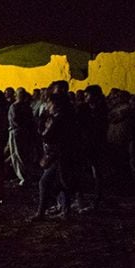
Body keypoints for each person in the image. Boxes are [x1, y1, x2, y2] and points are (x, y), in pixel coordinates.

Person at [31, 81, 79, 221]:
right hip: (60, 153)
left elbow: (47, 135)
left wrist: (43, 126)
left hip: (58, 153)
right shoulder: (62, 114)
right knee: (61, 183)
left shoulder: (59, 118)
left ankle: (41, 212)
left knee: (45, 182)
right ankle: (65, 211)